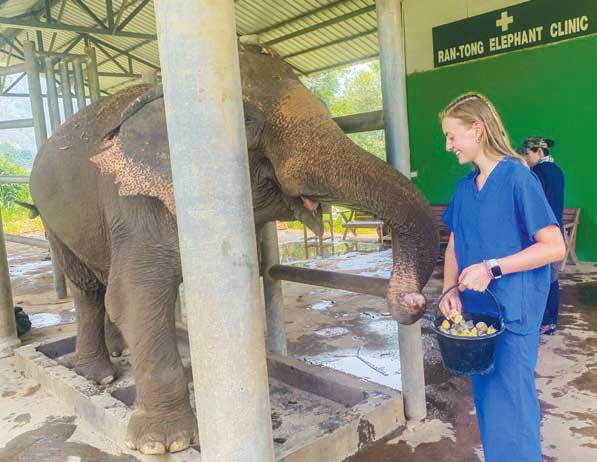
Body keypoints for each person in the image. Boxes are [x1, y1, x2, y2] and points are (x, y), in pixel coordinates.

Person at [438, 92, 566, 461]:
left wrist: (492, 267)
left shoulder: (517, 178)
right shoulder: (465, 187)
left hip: (514, 312)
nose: (448, 146)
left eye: (452, 135)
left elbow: (554, 246)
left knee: (513, 404)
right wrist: (450, 288)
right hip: (479, 314)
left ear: (476, 129)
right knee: (489, 403)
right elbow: (455, 245)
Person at [521, 136, 565, 335]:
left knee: (541, 279)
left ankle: (543, 320)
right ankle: (551, 321)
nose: (526, 157)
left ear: (539, 152)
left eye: (528, 153)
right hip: (557, 231)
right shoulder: (557, 171)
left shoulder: (537, 172)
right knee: (552, 279)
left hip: (542, 234)